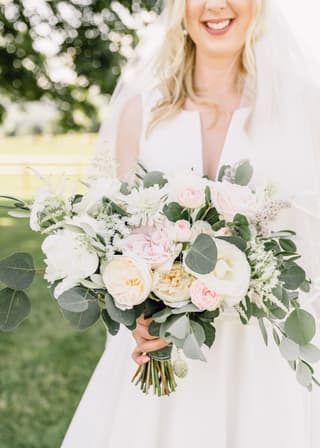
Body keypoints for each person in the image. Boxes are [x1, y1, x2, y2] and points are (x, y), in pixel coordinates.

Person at [62, 1, 320, 447]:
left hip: (262, 356)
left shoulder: (301, 108)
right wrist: (136, 316)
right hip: (163, 353)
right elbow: (112, 239)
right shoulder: (141, 114)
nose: (215, 6)